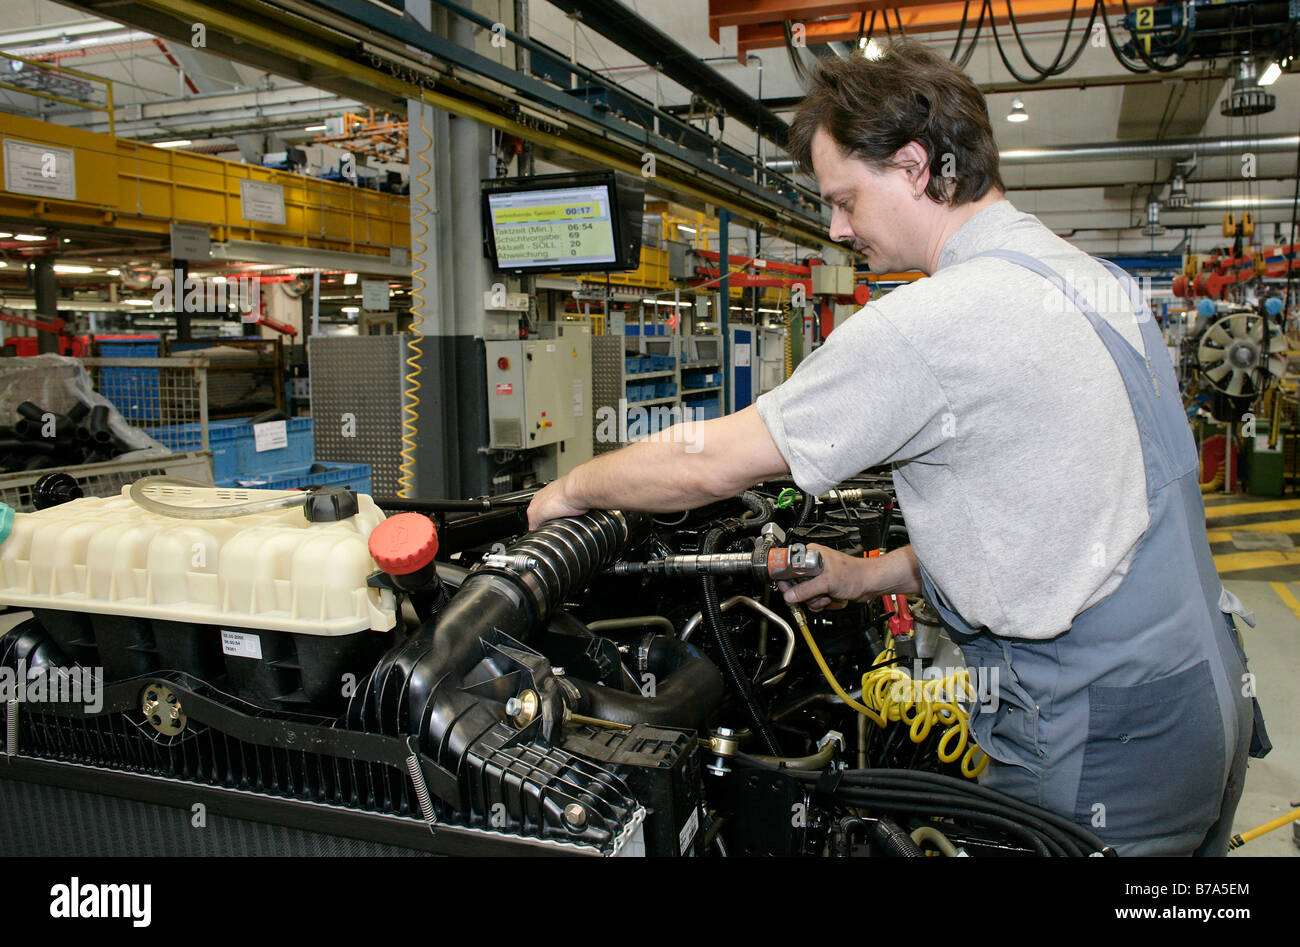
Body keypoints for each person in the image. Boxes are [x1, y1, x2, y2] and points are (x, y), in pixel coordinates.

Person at [527, 39, 1266, 855]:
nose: (839, 229)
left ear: (916, 167)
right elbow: (1048, 520)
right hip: (1203, 698)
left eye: (845, 199)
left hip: (1101, 738)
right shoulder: (1087, 280)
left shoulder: (934, 322)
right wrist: (865, 574)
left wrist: (570, 492)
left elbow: (710, 457)